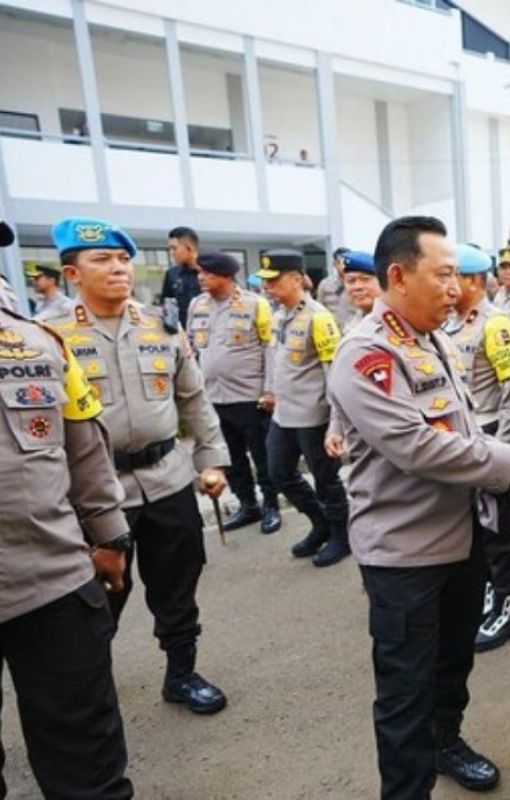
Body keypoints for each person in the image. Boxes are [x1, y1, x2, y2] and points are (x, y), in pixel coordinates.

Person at [327, 215, 510, 798]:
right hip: (405, 557)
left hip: (461, 537)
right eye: (444, 274)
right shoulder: (365, 353)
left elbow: (463, 425)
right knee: (405, 695)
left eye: (457, 274)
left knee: (452, 666)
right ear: (398, 276)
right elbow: (416, 446)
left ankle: (447, 740)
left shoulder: (432, 338)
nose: (456, 285)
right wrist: (508, 461)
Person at [46, 216, 231, 715]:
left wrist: (211, 461)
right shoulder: (50, 338)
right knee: (96, 598)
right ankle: (89, 687)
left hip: (166, 477)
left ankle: (182, 673)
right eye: (102, 260)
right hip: (95, 492)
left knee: (177, 584)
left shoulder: (161, 326)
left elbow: (194, 399)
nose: (118, 269)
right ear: (72, 274)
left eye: (123, 259)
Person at [0, 219, 134, 798]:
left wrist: (109, 538)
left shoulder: (38, 343)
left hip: (50, 577)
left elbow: (84, 447)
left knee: (86, 754)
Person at [442, 244, 510, 652]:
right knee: (478, 531)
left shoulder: (495, 325)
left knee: (501, 532)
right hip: (466, 438)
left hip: (493, 434)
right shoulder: (449, 325)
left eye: (452, 277)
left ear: (474, 281)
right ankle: (492, 596)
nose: (445, 285)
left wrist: (507, 453)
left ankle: (509, 609)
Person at [257, 249, 350, 567]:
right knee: (278, 473)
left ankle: (341, 535)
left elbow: (333, 375)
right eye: (266, 281)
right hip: (284, 414)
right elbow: (276, 360)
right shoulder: (279, 314)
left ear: (296, 280)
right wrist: (269, 392)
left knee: (326, 481)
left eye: (274, 280)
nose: (268, 287)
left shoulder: (319, 318)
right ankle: (320, 523)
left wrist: (335, 423)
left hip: (314, 416)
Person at [187, 251, 281, 535]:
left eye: (207, 273)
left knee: (261, 456)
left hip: (250, 396)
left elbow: (270, 349)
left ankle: (271, 507)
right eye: (199, 273)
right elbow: (191, 345)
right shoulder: (196, 305)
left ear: (226, 276)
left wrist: (270, 390)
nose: (201, 278)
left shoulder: (255, 305)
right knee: (231, 458)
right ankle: (247, 506)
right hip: (213, 396)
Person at [324, 250, 382, 463]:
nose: (357, 286)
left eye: (365, 279)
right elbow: (341, 385)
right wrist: (335, 427)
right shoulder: (352, 325)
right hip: (360, 435)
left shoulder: (398, 324)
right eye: (351, 281)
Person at [162, 225, 203, 330]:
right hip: (182, 336)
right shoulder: (172, 274)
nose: (171, 253)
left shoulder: (212, 271)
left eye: (174, 248)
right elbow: (167, 307)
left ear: (190, 247)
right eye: (170, 249)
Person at [317, 246, 359, 332]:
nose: (344, 266)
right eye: (340, 262)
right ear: (334, 264)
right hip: (332, 332)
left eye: (347, 262)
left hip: (354, 331)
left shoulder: (358, 284)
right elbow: (319, 310)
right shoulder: (325, 285)